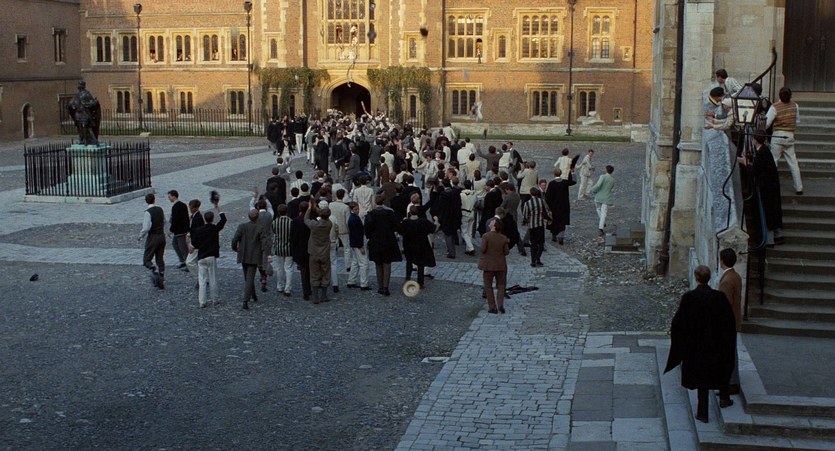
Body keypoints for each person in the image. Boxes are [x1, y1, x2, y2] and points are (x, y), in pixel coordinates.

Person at [664, 265, 737, 423]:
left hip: (696, 345)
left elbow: (678, 323)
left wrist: (680, 343)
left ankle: (702, 412)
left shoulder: (689, 297)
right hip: (715, 344)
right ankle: (724, 398)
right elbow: (728, 322)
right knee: (721, 369)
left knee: (702, 378)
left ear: (696, 278)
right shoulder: (719, 297)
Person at [737, 133, 784, 246]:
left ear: (755, 140)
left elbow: (755, 171)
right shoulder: (765, 151)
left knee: (766, 214)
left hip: (766, 189)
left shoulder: (762, 152)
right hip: (770, 187)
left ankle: (769, 240)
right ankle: (776, 236)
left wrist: (745, 163)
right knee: (772, 213)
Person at [766, 87, 803, 195]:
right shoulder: (795, 106)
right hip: (790, 135)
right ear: (790, 95)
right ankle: (799, 187)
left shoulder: (775, 107)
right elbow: (797, 120)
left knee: (773, 161)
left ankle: (771, 186)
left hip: (778, 135)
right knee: (793, 163)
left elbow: (767, 123)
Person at [231, 209, 271, 310]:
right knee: (250, 277)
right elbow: (264, 243)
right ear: (257, 217)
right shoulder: (260, 228)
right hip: (254, 255)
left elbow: (235, 239)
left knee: (247, 277)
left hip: (243, 254)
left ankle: (253, 295)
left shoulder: (242, 226)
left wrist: (235, 248)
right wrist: (267, 254)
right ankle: (246, 299)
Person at [364, 195, 402, 296]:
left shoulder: (370, 214)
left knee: (378, 265)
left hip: (375, 242)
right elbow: (396, 226)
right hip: (387, 241)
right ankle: (386, 287)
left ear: (375, 202)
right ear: (383, 202)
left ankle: (380, 287)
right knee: (387, 264)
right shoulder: (389, 213)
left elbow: (367, 229)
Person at [190, 208, 227, 308]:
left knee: (202, 280)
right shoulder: (214, 229)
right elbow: (223, 220)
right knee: (213, 278)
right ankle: (215, 299)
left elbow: (194, 245)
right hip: (211, 256)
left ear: (204, 219)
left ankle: (202, 301)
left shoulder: (198, 230)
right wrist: (218, 208)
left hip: (201, 256)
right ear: (212, 219)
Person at [718, 248, 743, 395]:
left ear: (722, 261)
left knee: (728, 353)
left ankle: (731, 383)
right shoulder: (735, 276)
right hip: (733, 320)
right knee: (731, 352)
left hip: (727, 323)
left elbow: (724, 304)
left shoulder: (727, 281)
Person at [400, 205, 440, 289]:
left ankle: (407, 278)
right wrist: (436, 221)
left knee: (409, 262)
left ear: (410, 212)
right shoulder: (423, 222)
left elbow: (400, 231)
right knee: (420, 264)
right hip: (421, 245)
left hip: (408, 245)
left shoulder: (406, 222)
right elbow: (434, 229)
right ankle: (420, 282)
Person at [479, 219, 510, 314]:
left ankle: (492, 307)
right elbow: (506, 252)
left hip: (488, 265)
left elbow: (483, 249)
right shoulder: (503, 238)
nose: (490, 222)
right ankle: (500, 304)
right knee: (501, 285)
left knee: (488, 286)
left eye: (492, 222)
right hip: (501, 265)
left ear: (494, 226)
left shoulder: (486, 236)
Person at [304, 203, 333, 304]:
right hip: (324, 252)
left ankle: (315, 296)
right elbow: (323, 214)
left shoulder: (314, 225)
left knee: (314, 273)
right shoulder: (329, 224)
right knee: (326, 273)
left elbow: (306, 219)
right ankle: (324, 295)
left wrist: (309, 208)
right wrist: (316, 208)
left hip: (314, 252)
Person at [139, 193, 166, 289]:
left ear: (146, 201)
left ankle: (153, 268)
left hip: (153, 236)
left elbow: (146, 228)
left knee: (147, 259)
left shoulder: (148, 212)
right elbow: (164, 221)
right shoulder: (160, 209)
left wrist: (141, 236)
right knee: (160, 257)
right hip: (161, 235)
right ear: (154, 199)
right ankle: (161, 275)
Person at [521, 187, 551, 267]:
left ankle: (533, 260)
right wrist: (549, 219)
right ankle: (538, 258)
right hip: (540, 224)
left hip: (532, 225)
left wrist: (525, 221)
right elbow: (547, 211)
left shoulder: (527, 203)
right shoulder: (542, 201)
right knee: (541, 243)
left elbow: (525, 215)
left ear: (530, 194)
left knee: (533, 243)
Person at [545, 169, 577, 244]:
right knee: (562, 222)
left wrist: (547, 206)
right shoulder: (564, 182)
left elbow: (548, 196)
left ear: (554, 174)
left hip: (554, 206)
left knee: (554, 221)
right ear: (561, 174)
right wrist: (572, 173)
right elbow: (573, 181)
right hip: (564, 206)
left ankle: (554, 235)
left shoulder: (552, 183)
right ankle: (561, 237)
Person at [289, 201, 313, 301]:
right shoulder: (311, 221)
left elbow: (292, 237)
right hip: (310, 248)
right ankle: (310, 288)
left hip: (300, 249)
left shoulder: (295, 221)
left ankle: (306, 291)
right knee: (310, 270)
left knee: (303, 271)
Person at [345, 202, 370, 290]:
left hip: (354, 243)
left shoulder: (352, 218)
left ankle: (351, 281)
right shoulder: (354, 219)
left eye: (357, 209)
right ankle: (364, 283)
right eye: (355, 209)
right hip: (358, 243)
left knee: (355, 263)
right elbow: (357, 234)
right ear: (352, 209)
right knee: (364, 263)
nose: (357, 210)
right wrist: (361, 246)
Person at [271, 204, 294, 297]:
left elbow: (274, 233)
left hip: (278, 248)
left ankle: (280, 286)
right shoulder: (291, 222)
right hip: (289, 248)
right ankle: (287, 288)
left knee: (279, 268)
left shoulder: (275, 222)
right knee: (289, 268)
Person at [167, 190, 190, 270]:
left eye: (169, 197)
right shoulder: (183, 205)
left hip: (180, 231)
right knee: (175, 244)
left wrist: (171, 230)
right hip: (182, 229)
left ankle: (188, 263)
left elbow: (175, 220)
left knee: (183, 247)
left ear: (174, 196)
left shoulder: (176, 207)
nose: (169, 199)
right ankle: (183, 261)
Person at [591, 165, 615, 236]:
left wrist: (593, 189)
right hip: (606, 198)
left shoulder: (602, 176)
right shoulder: (613, 180)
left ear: (606, 170)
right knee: (604, 213)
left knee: (598, 209)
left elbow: (598, 185)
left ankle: (602, 224)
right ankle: (601, 227)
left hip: (598, 196)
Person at [459, 180, 478, 255]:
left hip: (464, 213)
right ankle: (468, 248)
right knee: (469, 232)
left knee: (464, 232)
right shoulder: (474, 194)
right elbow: (476, 203)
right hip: (472, 212)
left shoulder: (461, 194)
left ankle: (470, 247)